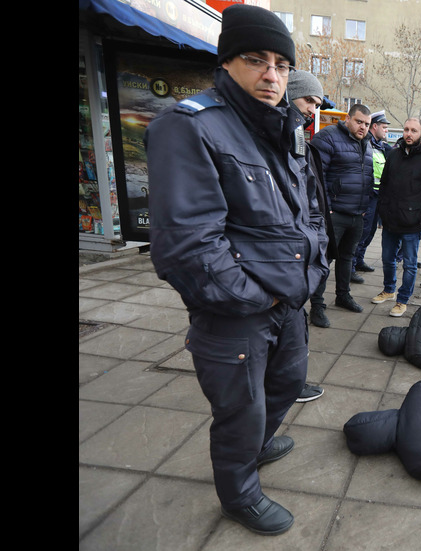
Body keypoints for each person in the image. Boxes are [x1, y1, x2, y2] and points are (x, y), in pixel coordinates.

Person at [145, 4, 329, 535]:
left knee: (288, 381)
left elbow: (308, 213)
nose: (272, 74)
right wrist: (257, 298)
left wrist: (310, 276)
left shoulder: (287, 127)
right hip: (237, 311)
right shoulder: (189, 126)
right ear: (227, 63)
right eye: (256, 60)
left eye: (282, 64)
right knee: (238, 411)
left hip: (286, 299)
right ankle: (238, 493)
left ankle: (260, 445)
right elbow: (186, 246)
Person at [285, 69, 334, 401]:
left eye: (317, 104)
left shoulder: (299, 139)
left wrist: (318, 245)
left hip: (297, 259)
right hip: (274, 262)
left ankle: (289, 385)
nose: (312, 110)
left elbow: (310, 200)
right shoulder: (275, 137)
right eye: (308, 101)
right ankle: (286, 386)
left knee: (293, 329)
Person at [370, 118, 421, 317]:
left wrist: (420, 216)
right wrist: (383, 211)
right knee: (387, 259)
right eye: (406, 129)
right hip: (391, 219)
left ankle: (402, 300)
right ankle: (389, 290)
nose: (409, 134)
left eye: (414, 130)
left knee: (409, 264)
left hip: (412, 223)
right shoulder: (394, 154)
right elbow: (383, 184)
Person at [310, 103, 375, 315]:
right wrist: (326, 210)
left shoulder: (367, 143)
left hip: (357, 213)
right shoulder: (328, 137)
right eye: (359, 122)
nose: (363, 127)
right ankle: (317, 305)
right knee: (325, 260)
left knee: (347, 258)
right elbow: (316, 177)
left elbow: (367, 177)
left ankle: (343, 295)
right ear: (347, 118)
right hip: (334, 214)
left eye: (367, 124)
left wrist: (363, 206)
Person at [351, 111, 394, 275]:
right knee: (362, 232)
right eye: (384, 127)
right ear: (374, 127)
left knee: (370, 232)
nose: (386, 131)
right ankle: (351, 267)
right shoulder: (365, 144)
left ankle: (359, 260)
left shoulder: (380, 147)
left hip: (378, 196)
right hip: (367, 196)